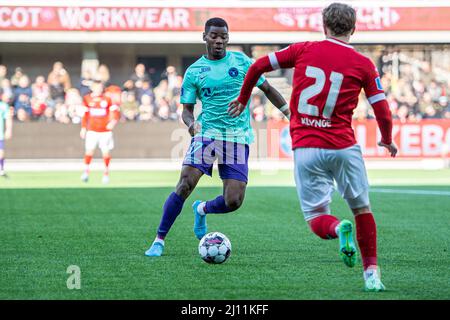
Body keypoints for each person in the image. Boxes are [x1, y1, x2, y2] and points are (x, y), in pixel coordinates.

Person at [228, 3, 398, 292]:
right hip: (343, 146)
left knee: (317, 218)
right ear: (354, 29)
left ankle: (336, 228)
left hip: (306, 147)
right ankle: (372, 275)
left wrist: (243, 99)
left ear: (324, 25)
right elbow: (381, 108)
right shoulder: (364, 64)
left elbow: (257, 65)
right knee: (362, 209)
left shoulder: (303, 49)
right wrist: (386, 138)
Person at [145, 17, 290, 257]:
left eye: (223, 37)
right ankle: (159, 240)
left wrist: (289, 114)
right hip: (207, 135)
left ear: (228, 38)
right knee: (185, 184)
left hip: (236, 137)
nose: (219, 41)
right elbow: (187, 111)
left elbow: (268, 89)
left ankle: (201, 209)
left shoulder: (242, 62)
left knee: (233, 201)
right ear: (205, 37)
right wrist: (192, 125)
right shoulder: (194, 72)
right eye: (214, 36)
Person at [80, 80, 120, 184]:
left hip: (105, 131)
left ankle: (106, 174)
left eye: (100, 88)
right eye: (97, 87)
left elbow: (115, 112)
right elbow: (85, 115)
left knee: (105, 152)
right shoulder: (87, 98)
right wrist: (83, 128)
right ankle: (86, 172)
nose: (99, 90)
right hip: (92, 130)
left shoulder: (107, 99)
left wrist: (113, 122)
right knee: (89, 151)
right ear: (92, 88)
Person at [0, 94, 13, 177]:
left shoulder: (3, 106)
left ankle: (1, 169)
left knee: (1, 152)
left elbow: (8, 118)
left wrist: (9, 130)